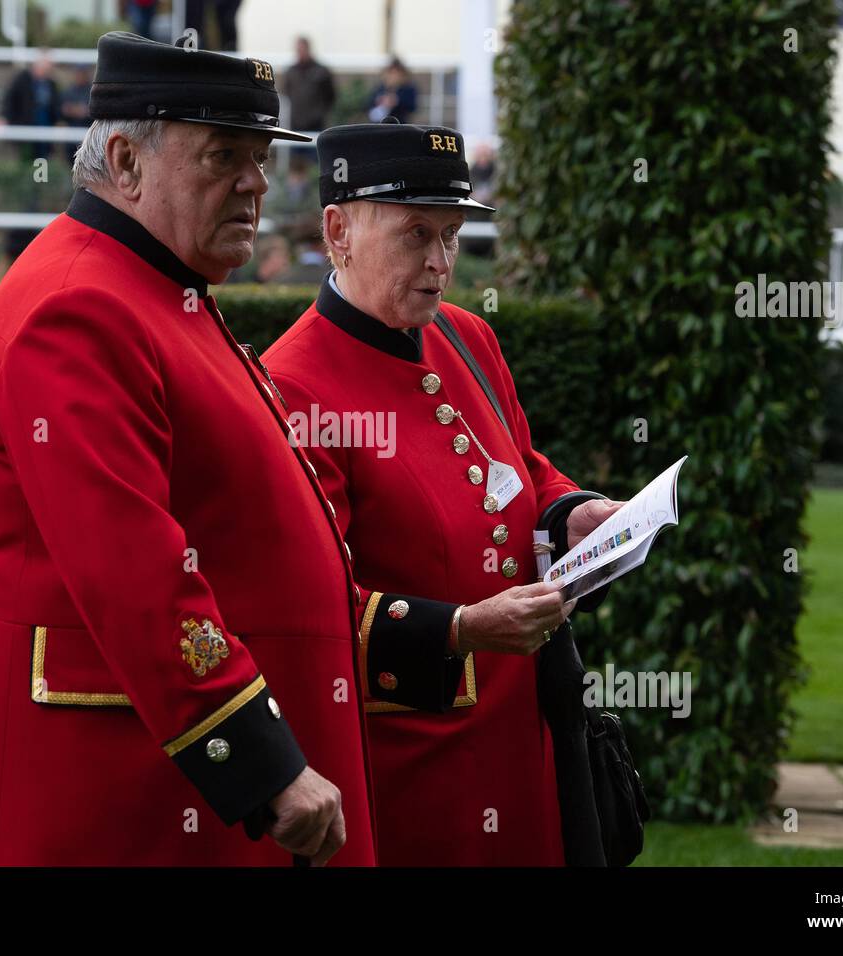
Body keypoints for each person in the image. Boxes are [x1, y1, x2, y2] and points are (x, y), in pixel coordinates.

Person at [0, 32, 416, 867]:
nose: (256, 181)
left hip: (140, 766)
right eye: (223, 154)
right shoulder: (80, 306)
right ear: (124, 162)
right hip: (87, 779)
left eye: (260, 155)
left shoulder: (153, 286)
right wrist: (259, 757)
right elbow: (130, 567)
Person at [263, 120, 625, 865]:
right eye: (415, 234)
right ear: (339, 230)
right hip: (406, 762)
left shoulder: (466, 335)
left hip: (522, 737)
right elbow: (307, 609)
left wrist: (570, 510)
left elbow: (520, 466)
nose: (440, 263)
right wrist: (459, 627)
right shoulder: (292, 382)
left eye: (452, 236)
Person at [0, 50, 61, 161]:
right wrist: (4, 117)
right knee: (26, 158)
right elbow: (9, 99)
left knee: (42, 160)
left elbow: (55, 106)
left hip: (44, 128)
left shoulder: (50, 83)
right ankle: (27, 177)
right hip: (25, 126)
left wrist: (59, 121)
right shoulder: (22, 79)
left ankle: (40, 178)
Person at [280, 36, 335, 132]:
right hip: (296, 124)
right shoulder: (291, 71)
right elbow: (286, 92)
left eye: (302, 49)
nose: (300, 52)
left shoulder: (321, 71)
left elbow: (330, 95)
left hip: (316, 124)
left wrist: (319, 113)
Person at [367, 58, 418, 124]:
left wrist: (396, 101)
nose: (393, 77)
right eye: (391, 73)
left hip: (400, 125)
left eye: (396, 74)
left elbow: (412, 106)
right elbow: (369, 104)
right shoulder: (380, 89)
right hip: (379, 126)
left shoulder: (408, 89)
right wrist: (379, 100)